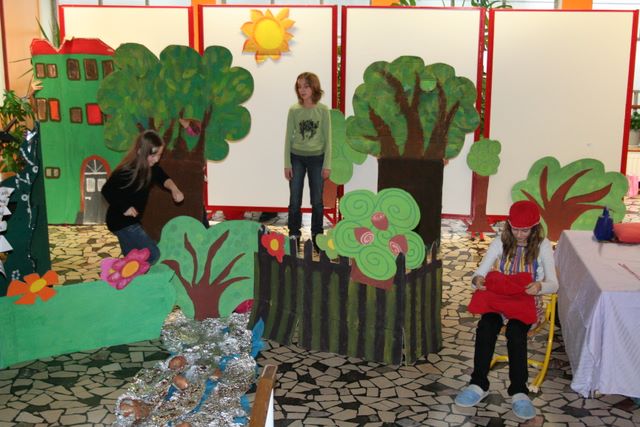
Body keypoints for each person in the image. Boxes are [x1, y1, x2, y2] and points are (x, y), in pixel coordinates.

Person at [454, 200, 558, 420]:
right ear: (509, 225)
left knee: (516, 332)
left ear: (535, 228)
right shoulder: (499, 242)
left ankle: (519, 391)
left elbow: (554, 284)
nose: (519, 235)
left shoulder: (543, 245)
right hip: (499, 299)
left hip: (526, 301)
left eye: (525, 230)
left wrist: (540, 286)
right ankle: (478, 383)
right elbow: (479, 274)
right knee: (486, 326)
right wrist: (477, 281)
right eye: (515, 229)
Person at [101, 130, 184, 264]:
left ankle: (127, 272)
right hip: (121, 222)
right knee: (153, 255)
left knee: (132, 258)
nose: (157, 159)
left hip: (130, 222)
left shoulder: (153, 168)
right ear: (140, 151)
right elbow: (107, 190)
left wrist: (175, 189)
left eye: (159, 155)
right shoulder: (127, 170)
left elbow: (164, 178)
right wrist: (125, 207)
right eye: (153, 155)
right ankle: (126, 269)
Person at [283, 72, 331, 251]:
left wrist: (327, 164)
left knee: (317, 200)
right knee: (294, 199)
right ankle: (294, 235)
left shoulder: (323, 110)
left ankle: (317, 236)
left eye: (306, 86)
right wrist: (287, 163)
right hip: (296, 157)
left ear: (314, 87)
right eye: (299, 86)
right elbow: (288, 138)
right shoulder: (294, 110)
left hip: (317, 159)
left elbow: (328, 139)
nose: (302, 90)